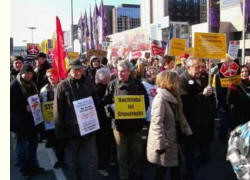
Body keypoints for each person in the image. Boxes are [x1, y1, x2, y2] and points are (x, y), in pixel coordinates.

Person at [103, 60, 149, 180]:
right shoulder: (112, 85)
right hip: (119, 127)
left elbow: (146, 102)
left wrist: (137, 109)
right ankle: (124, 176)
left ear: (129, 71)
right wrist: (111, 110)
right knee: (121, 155)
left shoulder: (138, 84)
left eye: (123, 71)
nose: (120, 74)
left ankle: (136, 172)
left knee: (137, 153)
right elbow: (105, 103)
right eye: (118, 71)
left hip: (136, 126)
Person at [54, 59, 99, 180]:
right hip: (71, 132)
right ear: (70, 70)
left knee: (90, 160)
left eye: (80, 69)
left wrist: (96, 123)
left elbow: (96, 103)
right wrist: (60, 133)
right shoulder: (62, 86)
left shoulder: (88, 83)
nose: (78, 72)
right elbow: (58, 111)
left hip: (89, 130)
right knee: (72, 162)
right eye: (75, 69)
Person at [147, 70, 192, 180]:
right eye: (177, 81)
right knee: (161, 170)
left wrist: (187, 130)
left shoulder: (175, 96)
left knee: (175, 169)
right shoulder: (161, 99)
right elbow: (157, 124)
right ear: (169, 82)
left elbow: (180, 115)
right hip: (166, 142)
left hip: (175, 139)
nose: (179, 83)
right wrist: (159, 145)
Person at [179, 56, 216, 180]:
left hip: (204, 122)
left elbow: (209, 99)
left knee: (205, 153)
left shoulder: (204, 77)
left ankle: (198, 170)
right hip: (191, 123)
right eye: (197, 67)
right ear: (188, 67)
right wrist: (202, 95)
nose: (200, 70)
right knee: (190, 153)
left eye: (201, 67)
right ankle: (189, 175)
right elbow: (185, 102)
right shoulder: (182, 80)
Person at [10, 64, 45, 177]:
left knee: (33, 145)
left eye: (31, 73)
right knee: (23, 147)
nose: (29, 75)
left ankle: (33, 166)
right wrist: (24, 107)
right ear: (22, 73)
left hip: (32, 120)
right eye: (27, 73)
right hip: (20, 122)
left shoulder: (32, 84)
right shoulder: (14, 86)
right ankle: (25, 170)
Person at [94, 68, 114, 177]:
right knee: (102, 145)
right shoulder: (97, 89)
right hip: (101, 121)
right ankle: (101, 166)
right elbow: (98, 104)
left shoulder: (108, 87)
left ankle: (106, 161)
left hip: (107, 120)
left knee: (107, 143)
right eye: (108, 77)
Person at [227, 65, 250, 130]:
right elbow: (229, 100)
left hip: (248, 114)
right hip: (237, 114)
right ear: (239, 74)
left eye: (246, 71)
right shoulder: (234, 84)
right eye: (242, 72)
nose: (244, 73)